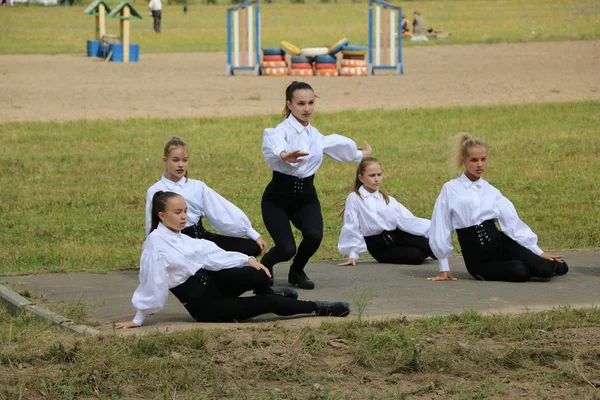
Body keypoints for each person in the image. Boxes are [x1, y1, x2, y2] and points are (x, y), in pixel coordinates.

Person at [115, 192, 351, 328]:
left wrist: (246, 259)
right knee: (268, 305)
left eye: (185, 211)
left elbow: (210, 253)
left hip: (215, 285)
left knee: (257, 272)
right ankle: (320, 308)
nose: (184, 216)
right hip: (206, 306)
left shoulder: (179, 236)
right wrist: (138, 319)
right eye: (178, 213)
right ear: (161, 215)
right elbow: (151, 282)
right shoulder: (155, 244)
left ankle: (273, 292)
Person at [260, 81, 372, 289]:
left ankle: (297, 271)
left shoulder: (315, 135)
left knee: (314, 235)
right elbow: (274, 147)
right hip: (278, 199)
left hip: (306, 197)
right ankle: (266, 265)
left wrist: (360, 155)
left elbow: (332, 147)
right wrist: (285, 155)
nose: (307, 108)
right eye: (301, 103)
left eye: (311, 103)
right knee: (286, 249)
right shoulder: (280, 131)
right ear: (289, 105)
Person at [427, 133, 568, 282]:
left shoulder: (491, 191)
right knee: (520, 271)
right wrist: (444, 267)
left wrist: (537, 251)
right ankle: (524, 265)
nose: (480, 164)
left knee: (546, 268)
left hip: (501, 244)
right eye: (474, 160)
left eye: (483, 159)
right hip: (478, 259)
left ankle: (551, 265)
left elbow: (512, 224)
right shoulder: (450, 189)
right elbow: (441, 225)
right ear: (463, 160)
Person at [145, 137, 267, 258]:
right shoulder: (155, 190)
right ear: (165, 160)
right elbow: (151, 224)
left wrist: (251, 233)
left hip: (200, 237)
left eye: (185, 160)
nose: (181, 165)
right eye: (175, 160)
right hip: (174, 244)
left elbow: (221, 211)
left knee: (252, 247)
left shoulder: (197, 187)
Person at [337, 157, 438, 267]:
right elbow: (351, 224)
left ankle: (431, 251)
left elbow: (406, 219)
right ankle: (422, 252)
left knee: (432, 247)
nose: (376, 179)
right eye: (372, 175)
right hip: (379, 246)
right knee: (416, 256)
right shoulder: (355, 198)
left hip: (397, 235)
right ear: (361, 178)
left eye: (379, 175)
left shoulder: (386, 198)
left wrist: (431, 227)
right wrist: (353, 254)